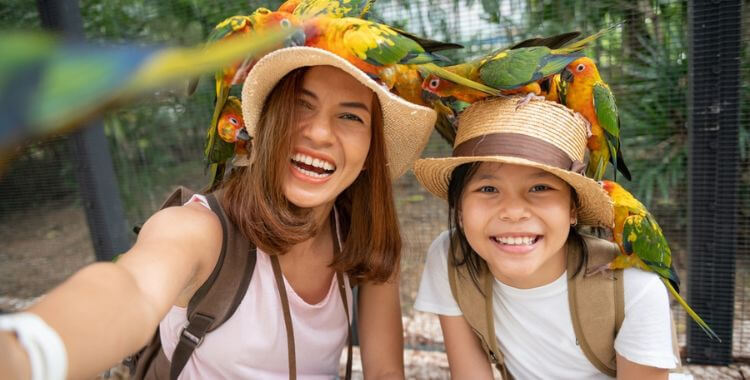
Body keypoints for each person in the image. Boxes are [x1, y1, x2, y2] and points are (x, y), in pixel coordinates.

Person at [0, 46, 437, 380]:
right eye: (301, 106)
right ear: (263, 122)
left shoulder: (362, 237)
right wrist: (28, 350)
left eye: (351, 117)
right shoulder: (200, 230)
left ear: (369, 151)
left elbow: (383, 373)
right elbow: (128, 291)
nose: (320, 133)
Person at [412, 96, 680, 379]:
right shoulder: (451, 258)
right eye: (488, 189)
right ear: (460, 209)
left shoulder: (633, 288)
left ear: (573, 209)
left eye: (540, 187)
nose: (514, 212)